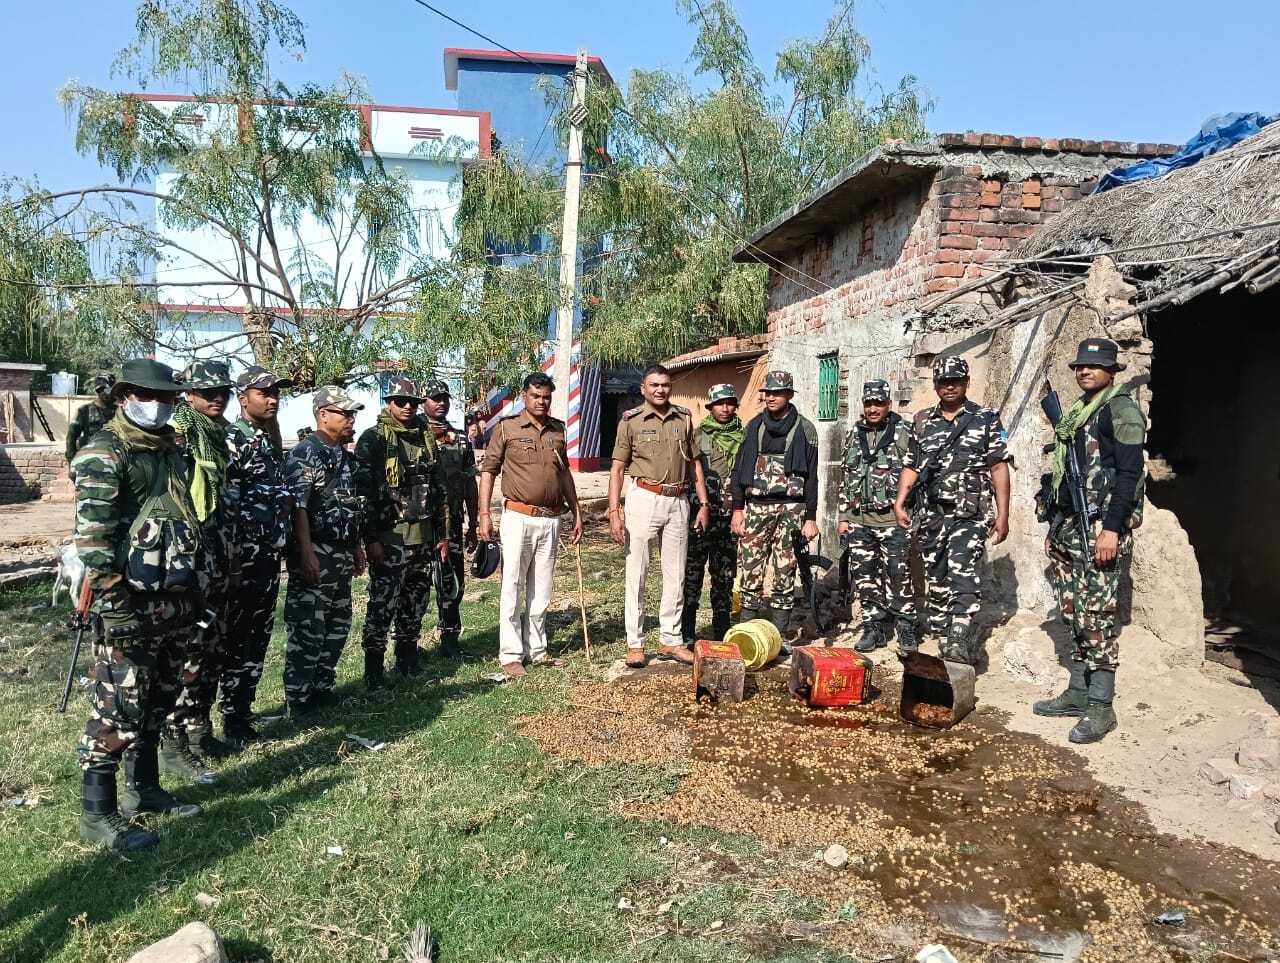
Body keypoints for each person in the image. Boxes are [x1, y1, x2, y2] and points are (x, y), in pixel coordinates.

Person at [71, 358, 202, 852]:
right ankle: (98, 815)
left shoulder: (169, 449)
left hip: (173, 601)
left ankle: (144, 790)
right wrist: (115, 608)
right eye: (150, 396)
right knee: (117, 710)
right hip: (128, 604)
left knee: (158, 700)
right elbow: (93, 541)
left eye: (168, 398)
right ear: (126, 395)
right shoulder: (105, 453)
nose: (160, 405)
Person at [1033, 337, 1146, 744]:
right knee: (1072, 612)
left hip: (1100, 530)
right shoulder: (1080, 411)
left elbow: (1129, 476)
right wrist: (1054, 524)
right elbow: (1069, 476)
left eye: (1093, 366)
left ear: (1112, 371)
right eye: (1080, 366)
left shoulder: (1122, 411)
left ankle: (1101, 706)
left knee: (1096, 616)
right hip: (1069, 528)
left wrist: (1112, 529)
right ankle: (1078, 691)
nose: (1084, 371)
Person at [893, 356, 1010, 665]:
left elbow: (998, 467)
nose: (949, 387)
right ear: (935, 385)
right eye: (943, 382)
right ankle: (947, 638)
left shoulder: (986, 419)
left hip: (969, 513)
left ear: (966, 383)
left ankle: (959, 633)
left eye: (955, 381)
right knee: (937, 576)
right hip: (932, 514)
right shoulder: (922, 421)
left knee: (962, 567)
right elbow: (911, 466)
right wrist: (900, 501)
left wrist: (1003, 514)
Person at [160, 360, 237, 783]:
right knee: (187, 650)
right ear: (189, 394)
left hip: (217, 554)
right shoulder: (179, 435)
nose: (217, 398)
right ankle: (173, 743)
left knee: (212, 647)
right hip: (188, 560)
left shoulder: (217, 435)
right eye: (208, 392)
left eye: (223, 392)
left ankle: (199, 731)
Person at [478, 373, 583, 678]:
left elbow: (564, 474)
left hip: (550, 520)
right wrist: (484, 514)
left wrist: (576, 512)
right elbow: (489, 471)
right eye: (536, 396)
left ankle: (537, 649)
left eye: (546, 397)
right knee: (512, 585)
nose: (541, 402)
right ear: (524, 396)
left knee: (542, 588)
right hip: (518, 518)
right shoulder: (507, 428)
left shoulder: (558, 430)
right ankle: (511, 654)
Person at [609, 364, 709, 667]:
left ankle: (671, 640)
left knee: (676, 575)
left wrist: (703, 503)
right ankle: (635, 643)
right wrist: (614, 511)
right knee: (637, 573)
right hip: (644, 498)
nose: (660, 390)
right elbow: (617, 468)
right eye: (654, 385)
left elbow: (694, 464)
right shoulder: (631, 421)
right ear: (643, 388)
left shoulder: (684, 418)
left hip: (678, 500)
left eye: (665, 385)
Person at [355, 377, 449, 687]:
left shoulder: (425, 437)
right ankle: (373, 671)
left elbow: (438, 488)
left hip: (422, 536)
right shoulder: (373, 439)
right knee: (383, 604)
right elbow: (364, 496)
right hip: (390, 538)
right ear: (389, 403)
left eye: (413, 402)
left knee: (416, 601)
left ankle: (408, 660)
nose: (408, 407)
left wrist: (442, 534)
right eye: (400, 401)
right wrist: (370, 540)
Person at [218, 365, 293, 748]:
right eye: (264, 393)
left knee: (257, 637)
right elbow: (227, 506)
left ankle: (243, 710)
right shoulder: (234, 440)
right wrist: (232, 561)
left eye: (275, 393)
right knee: (237, 638)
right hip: (241, 560)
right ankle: (231, 719)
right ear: (242, 397)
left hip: (267, 556)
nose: (272, 399)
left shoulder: (267, 440)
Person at [283, 386, 367, 714]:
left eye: (352, 414)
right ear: (323, 415)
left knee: (338, 624)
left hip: (341, 553)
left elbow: (350, 504)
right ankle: (299, 698)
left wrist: (356, 547)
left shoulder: (344, 456)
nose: (351, 419)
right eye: (344, 413)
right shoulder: (305, 453)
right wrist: (306, 554)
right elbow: (299, 508)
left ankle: (322, 687)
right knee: (308, 627)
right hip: (317, 551)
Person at [729, 370, 819, 638]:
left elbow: (812, 477)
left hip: (792, 509)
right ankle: (746, 631)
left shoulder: (805, 429)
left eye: (777, 393)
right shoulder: (754, 426)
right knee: (750, 567)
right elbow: (739, 470)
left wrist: (811, 517)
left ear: (789, 395)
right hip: (757, 507)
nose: (770, 397)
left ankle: (779, 633)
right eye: (767, 392)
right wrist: (738, 509)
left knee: (785, 569)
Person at [838, 380, 918, 654]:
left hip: (893, 520)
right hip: (860, 519)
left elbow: (915, 473)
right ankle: (874, 628)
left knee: (898, 574)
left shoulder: (905, 432)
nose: (873, 409)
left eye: (879, 403)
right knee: (865, 577)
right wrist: (843, 516)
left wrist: (909, 510)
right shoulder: (854, 434)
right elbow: (846, 477)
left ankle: (906, 626)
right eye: (869, 403)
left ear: (888, 404)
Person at [420, 378, 479, 658]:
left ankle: (450, 637)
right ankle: (408, 644)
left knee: (453, 581)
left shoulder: (460, 439)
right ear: (423, 402)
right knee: (417, 584)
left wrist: (473, 523)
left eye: (445, 398)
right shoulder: (413, 435)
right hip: (419, 524)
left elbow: (470, 483)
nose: (441, 403)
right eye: (435, 398)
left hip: (452, 522)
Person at [682, 383, 743, 645]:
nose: (725, 408)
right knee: (692, 575)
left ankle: (721, 632)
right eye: (720, 404)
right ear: (710, 407)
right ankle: (687, 634)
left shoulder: (745, 436)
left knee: (724, 577)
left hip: (729, 519)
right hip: (700, 516)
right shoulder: (696, 436)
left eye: (730, 403)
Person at [66, 373, 116, 469]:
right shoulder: (84, 411)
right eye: (105, 390)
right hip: (89, 462)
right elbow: (71, 438)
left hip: (114, 462)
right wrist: (71, 463)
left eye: (111, 390)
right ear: (98, 391)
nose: (108, 393)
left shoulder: (119, 411)